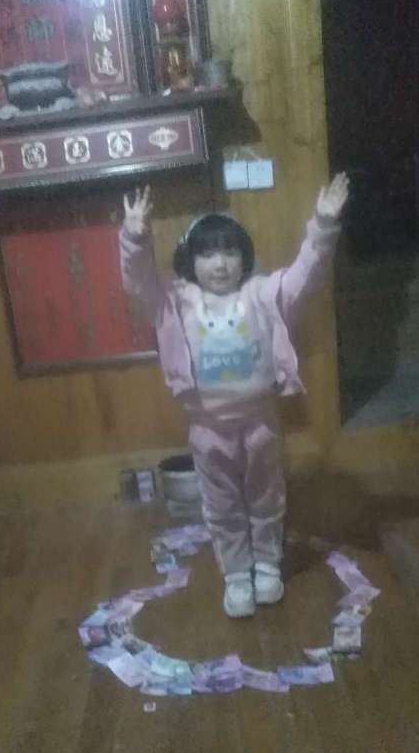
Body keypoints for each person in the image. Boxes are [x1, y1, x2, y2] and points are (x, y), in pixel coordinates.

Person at [119, 173, 349, 617]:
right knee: (221, 504)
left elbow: (307, 274)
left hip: (261, 423)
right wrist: (134, 236)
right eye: (207, 254)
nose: (220, 264)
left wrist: (322, 224)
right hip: (207, 430)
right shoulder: (175, 302)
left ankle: (266, 565)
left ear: (245, 257)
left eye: (229, 251)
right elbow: (138, 281)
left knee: (266, 497)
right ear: (191, 260)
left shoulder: (263, 294)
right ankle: (237, 575)